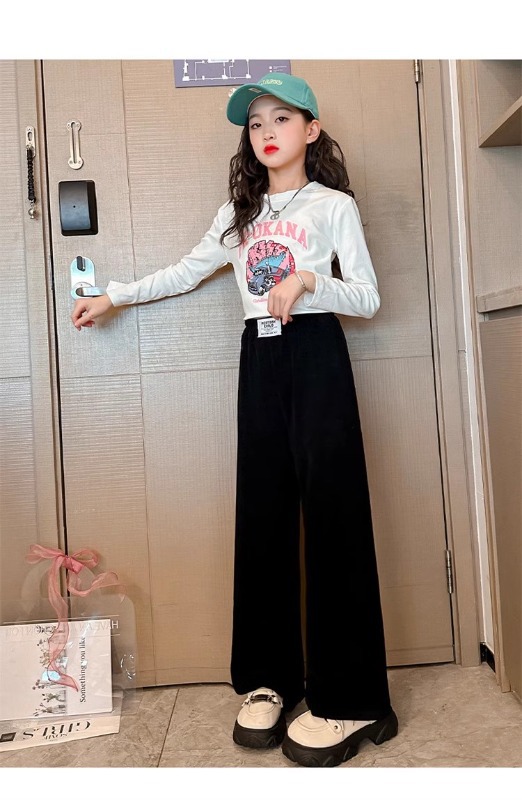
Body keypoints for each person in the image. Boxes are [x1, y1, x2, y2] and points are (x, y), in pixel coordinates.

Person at [71, 72, 398, 768]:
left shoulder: (333, 205)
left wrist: (309, 281)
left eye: (281, 118)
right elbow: (185, 271)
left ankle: (353, 698)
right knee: (264, 516)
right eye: (255, 124)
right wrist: (114, 296)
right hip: (260, 356)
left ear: (311, 129)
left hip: (317, 354)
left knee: (334, 515)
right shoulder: (238, 213)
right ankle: (270, 678)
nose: (267, 132)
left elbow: (368, 297)